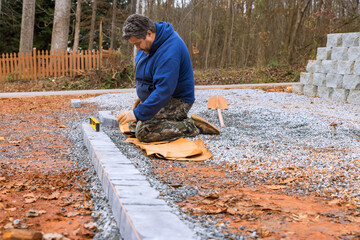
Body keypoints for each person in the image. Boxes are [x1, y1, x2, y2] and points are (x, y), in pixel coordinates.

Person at [117, 14, 219, 143]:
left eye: (138, 44)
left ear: (149, 33)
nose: (137, 48)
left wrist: (137, 114)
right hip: (161, 95)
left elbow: (164, 90)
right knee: (136, 123)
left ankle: (190, 126)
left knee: (144, 133)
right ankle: (169, 120)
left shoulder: (170, 51)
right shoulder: (149, 45)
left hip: (177, 100)